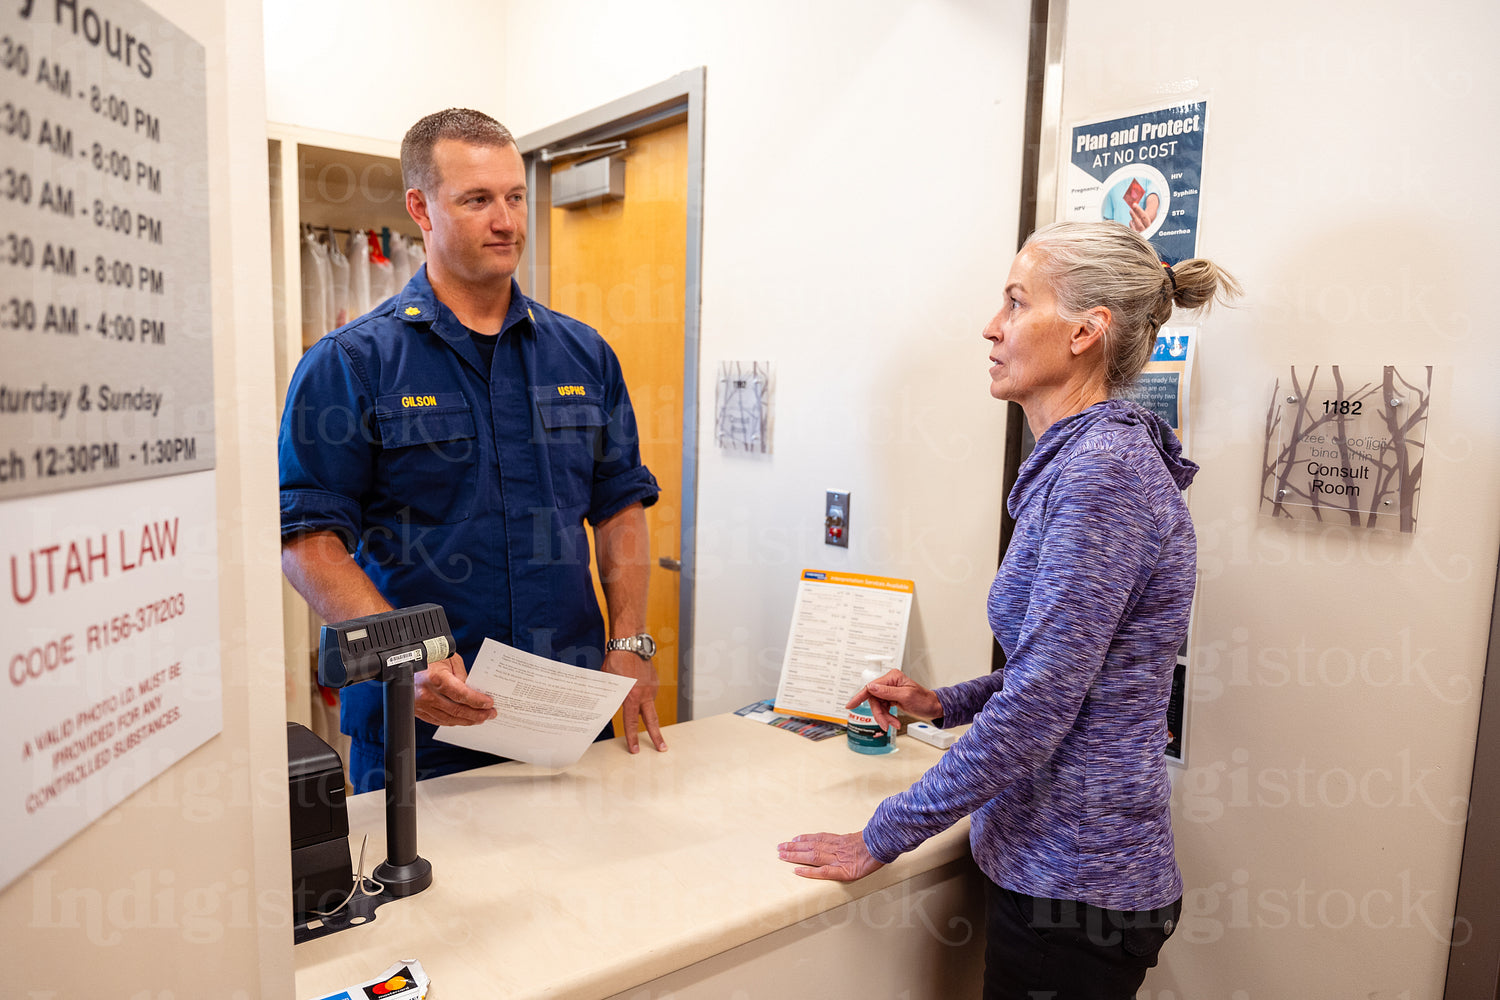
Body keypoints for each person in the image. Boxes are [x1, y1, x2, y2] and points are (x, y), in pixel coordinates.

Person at [778, 221, 1240, 999]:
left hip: (1076, 889)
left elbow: (1041, 705)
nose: (991, 326)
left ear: (1087, 333)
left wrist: (881, 835)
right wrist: (940, 703)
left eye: (1017, 303)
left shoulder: (1103, 477)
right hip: (1055, 871)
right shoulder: (1081, 465)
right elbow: (1062, 675)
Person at [279, 108, 666, 794]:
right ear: (420, 209)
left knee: (583, 896)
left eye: (515, 196)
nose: (507, 221)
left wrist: (630, 640)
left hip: (568, 713)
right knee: (429, 902)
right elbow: (308, 541)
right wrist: (406, 656)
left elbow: (618, 506)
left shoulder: (584, 354)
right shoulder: (351, 364)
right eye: (478, 200)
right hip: (420, 726)